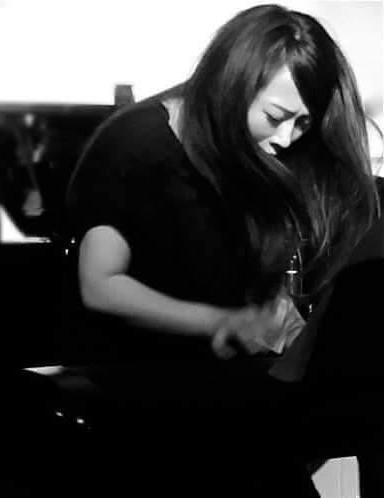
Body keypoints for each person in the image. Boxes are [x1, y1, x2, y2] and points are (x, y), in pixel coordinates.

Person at [64, 4, 382, 496]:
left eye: (302, 123)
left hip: (228, 387)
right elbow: (101, 285)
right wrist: (224, 322)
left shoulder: (251, 153)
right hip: (141, 387)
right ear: (232, 85)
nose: (286, 138)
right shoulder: (136, 144)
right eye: (276, 117)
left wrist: (283, 313)